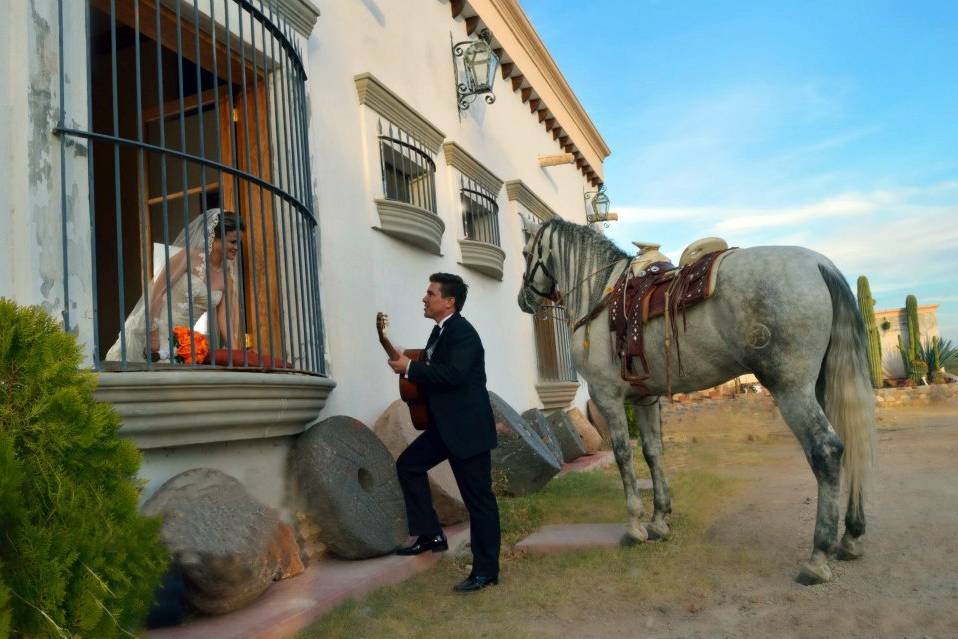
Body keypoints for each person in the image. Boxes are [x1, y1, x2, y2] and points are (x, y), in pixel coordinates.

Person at [386, 273, 501, 592]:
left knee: (479, 502)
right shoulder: (440, 331)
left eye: (431, 293)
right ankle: (430, 534)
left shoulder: (462, 332)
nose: (425, 298)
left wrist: (409, 368)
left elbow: (454, 375)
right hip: (444, 427)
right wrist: (408, 364)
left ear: (449, 301)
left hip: (467, 430)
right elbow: (435, 374)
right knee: (408, 465)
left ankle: (486, 571)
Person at [105, 208, 243, 363]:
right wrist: (153, 334)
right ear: (215, 238)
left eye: (239, 242)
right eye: (233, 241)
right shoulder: (188, 256)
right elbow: (157, 291)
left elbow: (224, 319)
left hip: (179, 341)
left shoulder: (227, 278)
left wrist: (237, 353)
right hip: (152, 329)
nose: (237, 247)